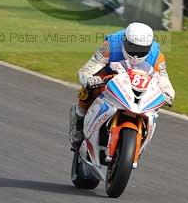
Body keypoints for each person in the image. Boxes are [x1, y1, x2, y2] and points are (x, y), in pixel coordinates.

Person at [69, 22, 175, 150]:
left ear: (149, 46)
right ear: (125, 41)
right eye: (132, 47)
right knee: (88, 91)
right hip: (110, 75)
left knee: (155, 104)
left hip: (139, 82)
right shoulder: (110, 45)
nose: (136, 54)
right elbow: (87, 69)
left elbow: (163, 78)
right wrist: (89, 79)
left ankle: (140, 137)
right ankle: (79, 122)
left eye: (141, 49)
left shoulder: (156, 55)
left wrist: (169, 93)